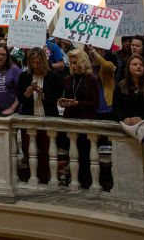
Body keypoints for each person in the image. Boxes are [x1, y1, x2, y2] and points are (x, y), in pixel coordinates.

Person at [17, 48, 63, 184]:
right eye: (33, 63)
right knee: (30, 151)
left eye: (38, 62)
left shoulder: (53, 77)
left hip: (46, 117)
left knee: (46, 151)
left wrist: (43, 96)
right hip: (29, 117)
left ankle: (44, 178)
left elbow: (57, 97)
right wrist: (26, 95)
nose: (35, 66)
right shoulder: (24, 76)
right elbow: (20, 97)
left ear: (44, 62)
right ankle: (31, 177)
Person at [57, 49, 99, 187]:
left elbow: (95, 104)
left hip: (85, 121)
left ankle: (86, 182)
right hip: (70, 120)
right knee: (72, 154)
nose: (73, 66)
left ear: (83, 62)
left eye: (76, 63)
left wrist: (78, 103)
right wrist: (63, 102)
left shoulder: (91, 80)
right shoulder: (68, 79)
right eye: (71, 63)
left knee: (84, 156)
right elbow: (68, 95)